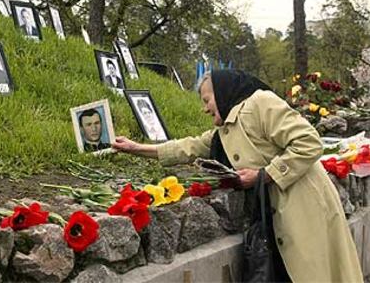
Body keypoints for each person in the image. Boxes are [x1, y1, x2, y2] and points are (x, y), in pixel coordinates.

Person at [112, 69, 363, 282]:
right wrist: (136, 148)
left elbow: (309, 142)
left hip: (305, 209)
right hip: (281, 218)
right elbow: (187, 147)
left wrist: (264, 175)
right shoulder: (227, 129)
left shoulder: (260, 103)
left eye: (207, 99)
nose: (204, 109)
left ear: (222, 92)